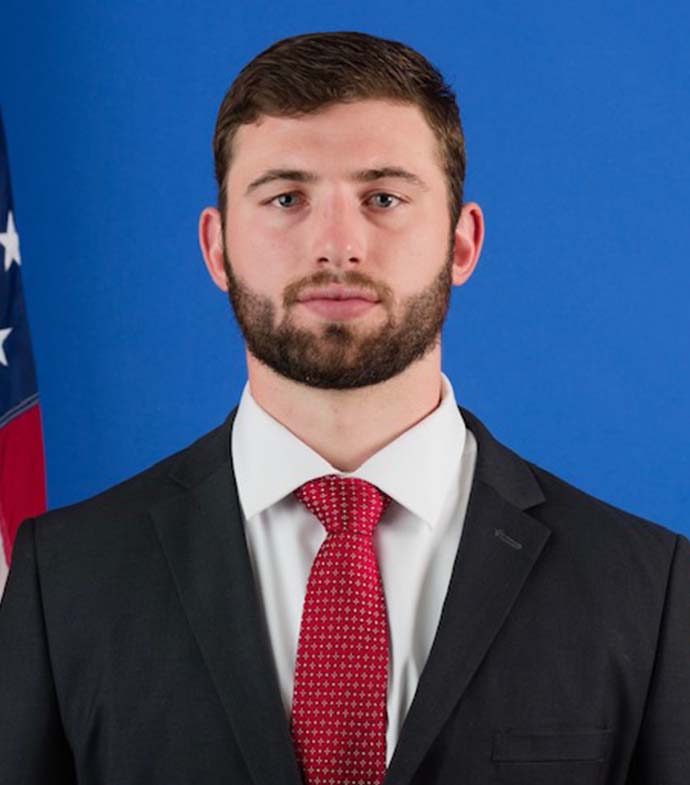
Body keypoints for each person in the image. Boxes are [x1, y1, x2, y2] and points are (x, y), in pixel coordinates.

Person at [0, 30, 688, 785]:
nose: (337, 243)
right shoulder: (62, 579)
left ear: (462, 244)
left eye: (384, 197)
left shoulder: (648, 590)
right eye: (287, 197)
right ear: (217, 247)